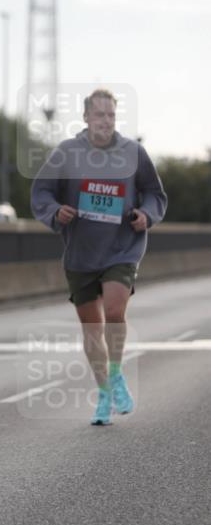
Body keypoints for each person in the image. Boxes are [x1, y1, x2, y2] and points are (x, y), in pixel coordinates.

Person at [31, 89, 167, 425]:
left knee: (115, 310)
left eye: (111, 115)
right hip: (81, 251)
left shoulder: (133, 153)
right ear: (86, 117)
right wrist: (55, 211)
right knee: (92, 328)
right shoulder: (67, 152)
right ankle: (105, 392)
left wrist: (147, 215)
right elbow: (42, 191)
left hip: (123, 246)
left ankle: (116, 374)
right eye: (99, 114)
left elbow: (154, 192)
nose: (106, 121)